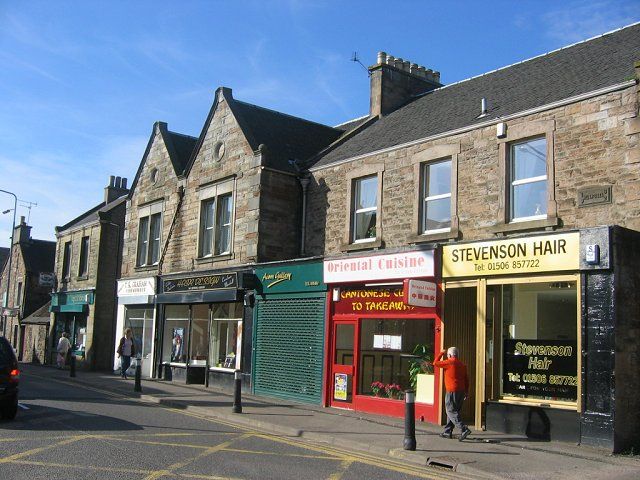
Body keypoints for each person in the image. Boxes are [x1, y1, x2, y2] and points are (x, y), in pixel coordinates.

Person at [433, 346, 471, 441]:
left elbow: (435, 363)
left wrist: (441, 353)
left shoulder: (450, 362)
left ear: (449, 355)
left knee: (450, 411)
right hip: (461, 391)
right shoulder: (462, 365)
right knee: (454, 411)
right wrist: (466, 392)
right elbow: (466, 380)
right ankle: (448, 431)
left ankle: (463, 429)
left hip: (452, 390)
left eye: (447, 355)